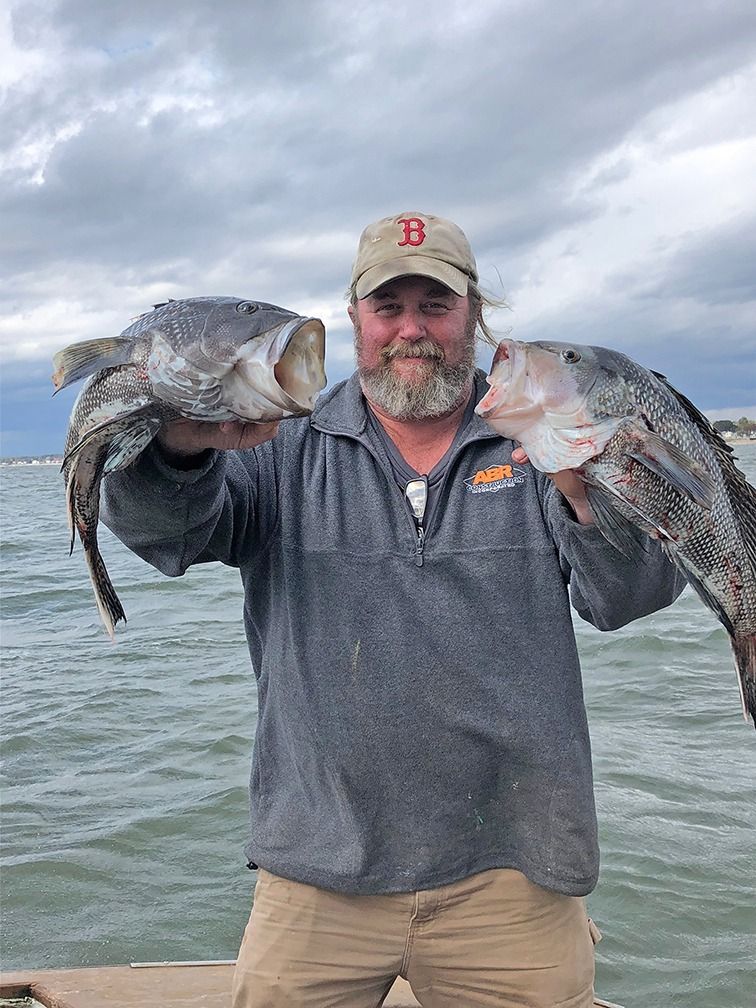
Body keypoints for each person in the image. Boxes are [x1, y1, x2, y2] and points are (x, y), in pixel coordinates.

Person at [101, 211, 684, 1008]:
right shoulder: (278, 444)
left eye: (436, 306)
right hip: (316, 871)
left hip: (515, 873)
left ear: (474, 316)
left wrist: (593, 505)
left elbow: (630, 597)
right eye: (389, 307)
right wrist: (176, 449)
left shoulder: (543, 435)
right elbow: (168, 533)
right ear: (354, 322)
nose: (412, 330)